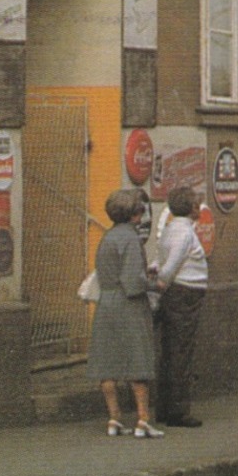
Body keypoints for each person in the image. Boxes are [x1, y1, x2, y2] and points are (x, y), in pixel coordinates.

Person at [87, 188, 163, 438]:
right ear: (133, 214)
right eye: (140, 211)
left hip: (106, 303)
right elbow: (133, 283)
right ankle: (143, 419)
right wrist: (153, 283)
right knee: (137, 361)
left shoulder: (106, 238)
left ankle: (114, 418)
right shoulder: (131, 239)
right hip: (128, 306)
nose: (142, 216)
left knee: (107, 363)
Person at [153, 185, 209, 428]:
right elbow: (171, 264)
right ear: (191, 207)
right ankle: (178, 410)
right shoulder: (184, 234)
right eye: (197, 204)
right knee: (181, 351)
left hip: (177, 293)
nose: (200, 208)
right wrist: (162, 283)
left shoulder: (171, 229)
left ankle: (165, 407)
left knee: (170, 349)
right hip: (184, 293)